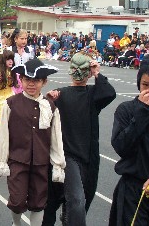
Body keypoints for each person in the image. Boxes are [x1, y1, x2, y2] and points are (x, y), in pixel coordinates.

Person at [0, 59, 65, 226]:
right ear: (21, 81)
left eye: (36, 80)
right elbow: (3, 135)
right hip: (18, 161)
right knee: (17, 201)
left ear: (44, 82)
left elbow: (56, 138)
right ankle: (16, 223)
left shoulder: (51, 107)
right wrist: (2, 159)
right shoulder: (11, 104)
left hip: (41, 163)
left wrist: (58, 163)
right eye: (27, 80)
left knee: (38, 203)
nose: (32, 84)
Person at [42, 52, 116, 226]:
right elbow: (43, 116)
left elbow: (109, 93)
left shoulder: (93, 95)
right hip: (66, 156)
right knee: (75, 200)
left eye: (83, 70)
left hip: (88, 158)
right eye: (75, 69)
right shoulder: (60, 94)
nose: (78, 73)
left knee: (82, 199)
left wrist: (97, 72)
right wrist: (48, 99)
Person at [109, 53, 149, 226]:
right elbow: (122, 146)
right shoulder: (126, 110)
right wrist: (141, 113)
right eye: (145, 85)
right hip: (132, 192)